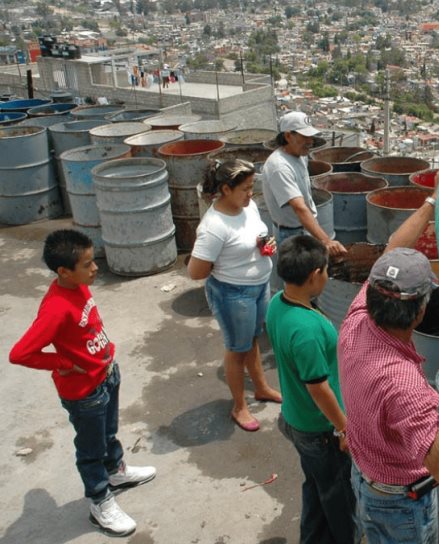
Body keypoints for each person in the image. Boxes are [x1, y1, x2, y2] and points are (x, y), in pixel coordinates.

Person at [338, 163, 439, 543]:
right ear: (422, 310)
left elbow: (393, 250)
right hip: (399, 506)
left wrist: (432, 201)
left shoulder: (357, 318)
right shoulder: (403, 383)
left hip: (366, 475)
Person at [9, 229, 156, 537]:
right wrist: (62, 363)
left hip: (106, 374)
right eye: (88, 264)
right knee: (90, 449)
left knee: (109, 434)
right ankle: (100, 501)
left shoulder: (79, 286)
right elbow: (20, 353)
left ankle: (116, 472)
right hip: (84, 392)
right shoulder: (55, 308)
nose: (95, 269)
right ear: (64, 271)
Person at [266, 235, 357, 544]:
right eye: (327, 271)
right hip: (319, 429)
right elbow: (318, 389)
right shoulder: (306, 330)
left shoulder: (278, 303)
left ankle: (312, 538)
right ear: (315, 275)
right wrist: (343, 428)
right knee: (339, 495)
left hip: (296, 418)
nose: (328, 276)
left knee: (317, 485)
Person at [188, 159, 282, 433]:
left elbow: (255, 235)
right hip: (233, 293)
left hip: (258, 285)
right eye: (245, 188)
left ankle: (261, 387)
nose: (251, 194)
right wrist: (226, 263)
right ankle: (239, 405)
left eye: (252, 187)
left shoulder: (248, 207)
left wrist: (266, 244)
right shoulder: (214, 226)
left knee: (251, 340)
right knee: (237, 349)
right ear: (226, 189)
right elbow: (196, 271)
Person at [263, 111, 346, 257]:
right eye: (305, 136)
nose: (310, 141)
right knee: (298, 278)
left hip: (305, 228)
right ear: (288, 136)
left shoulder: (300, 156)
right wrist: (326, 241)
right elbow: (300, 208)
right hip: (291, 235)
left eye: (311, 136)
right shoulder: (279, 167)